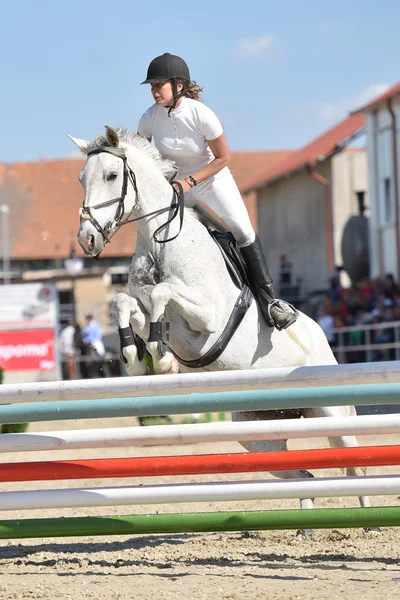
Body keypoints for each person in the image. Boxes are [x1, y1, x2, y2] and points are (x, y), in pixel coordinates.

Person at [137, 53, 297, 331]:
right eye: (151, 85)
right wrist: (163, 169)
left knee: (243, 230)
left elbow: (222, 158)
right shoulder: (148, 118)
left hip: (211, 177)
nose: (153, 90)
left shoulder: (202, 114)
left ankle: (270, 302)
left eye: (158, 84)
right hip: (175, 182)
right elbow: (143, 159)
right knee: (155, 231)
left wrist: (190, 181)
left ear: (178, 86)